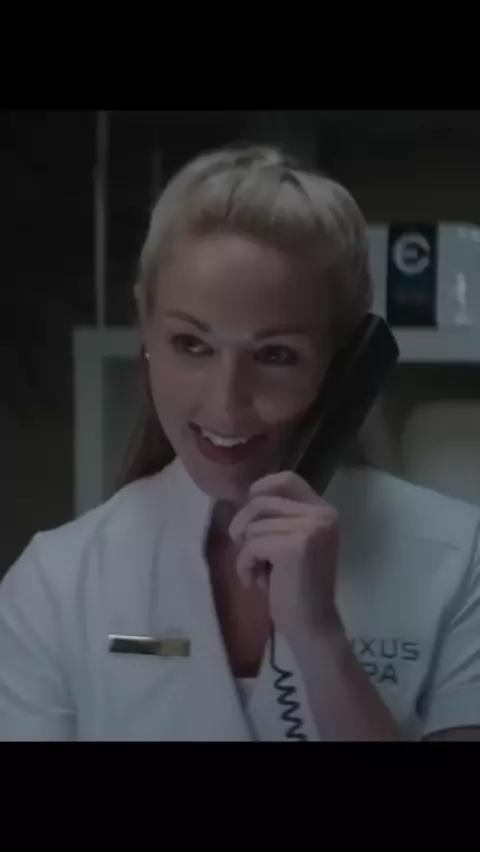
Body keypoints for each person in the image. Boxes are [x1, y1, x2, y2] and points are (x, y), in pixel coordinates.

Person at [1, 145, 480, 741]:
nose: (227, 403)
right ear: (146, 336)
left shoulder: (460, 561)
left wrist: (320, 641)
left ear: (345, 365)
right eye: (191, 345)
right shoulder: (57, 582)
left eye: (275, 355)